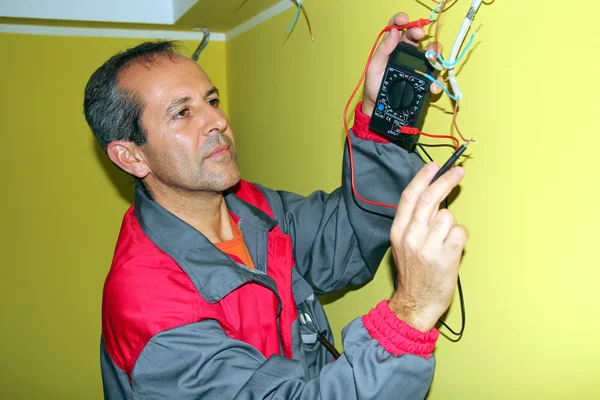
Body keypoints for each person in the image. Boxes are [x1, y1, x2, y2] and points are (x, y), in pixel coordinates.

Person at [84, 11, 469, 400]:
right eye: (183, 112)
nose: (217, 120)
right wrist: (411, 313)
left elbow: (349, 237)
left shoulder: (251, 207)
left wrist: (382, 111)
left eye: (212, 100)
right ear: (131, 157)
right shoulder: (148, 306)